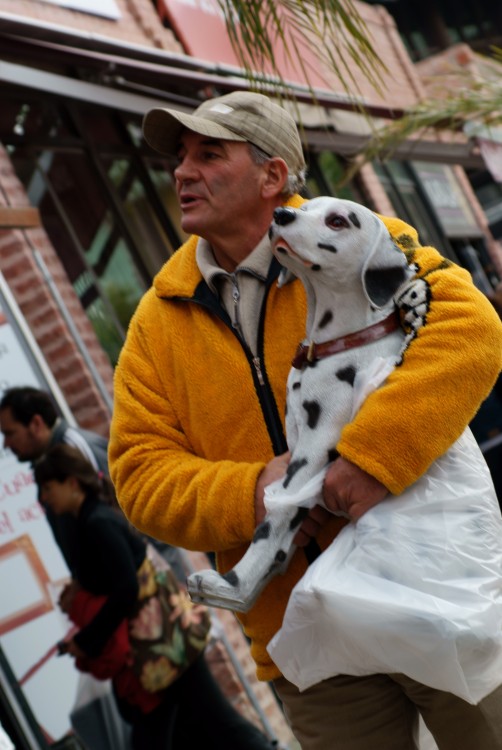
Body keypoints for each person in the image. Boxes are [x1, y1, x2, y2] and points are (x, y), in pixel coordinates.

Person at [108, 91, 502, 749]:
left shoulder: (357, 240)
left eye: (209, 153)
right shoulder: (157, 322)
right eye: (180, 157)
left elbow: (469, 329)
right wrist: (259, 491)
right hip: (306, 639)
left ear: (273, 176)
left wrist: (367, 460)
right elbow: (139, 478)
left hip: (436, 588)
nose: (182, 172)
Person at [34, 444, 278, 750]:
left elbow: (126, 589)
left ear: (71, 483)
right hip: (161, 640)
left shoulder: (98, 522)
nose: (44, 498)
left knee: (216, 723)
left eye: (48, 488)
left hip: (163, 641)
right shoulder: (93, 518)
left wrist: (87, 640)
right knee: (197, 725)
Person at [0, 386, 108, 571]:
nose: (6, 444)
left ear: (36, 423)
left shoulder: (76, 448)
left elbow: (120, 515)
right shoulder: (46, 462)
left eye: (10, 433)